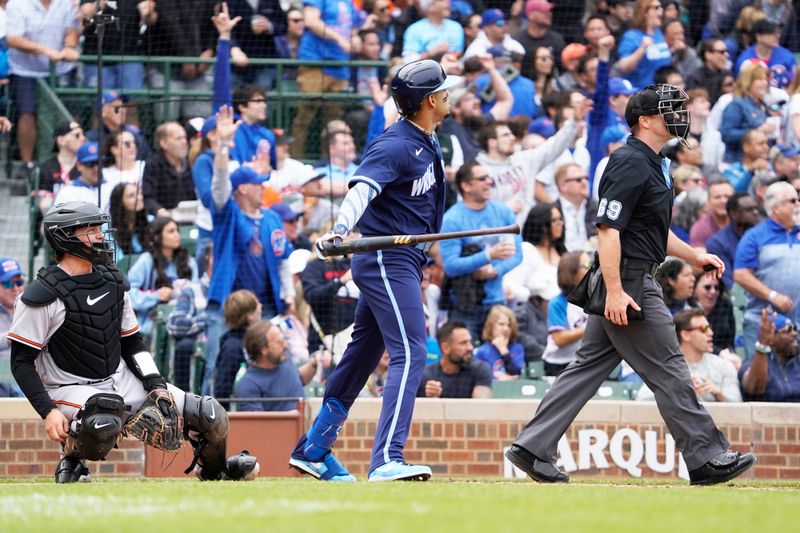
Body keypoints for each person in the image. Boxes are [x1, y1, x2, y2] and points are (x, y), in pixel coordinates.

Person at [505, 84, 756, 485]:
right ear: (644, 120)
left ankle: (532, 447)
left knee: (587, 367)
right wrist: (617, 290)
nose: (678, 115)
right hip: (630, 281)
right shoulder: (628, 161)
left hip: (631, 275)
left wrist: (694, 255)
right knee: (671, 368)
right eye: (668, 109)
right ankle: (706, 457)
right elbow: (607, 229)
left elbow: (652, 230)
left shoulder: (657, 162)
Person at [288, 59, 461, 483]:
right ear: (428, 101)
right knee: (412, 351)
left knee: (362, 354)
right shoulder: (397, 143)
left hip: (404, 261)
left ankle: (314, 448)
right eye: (443, 90)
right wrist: (342, 228)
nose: (449, 95)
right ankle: (387, 458)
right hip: (387, 259)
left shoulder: (426, 136)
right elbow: (362, 186)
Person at [8, 202, 258, 483]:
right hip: (69, 386)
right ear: (65, 237)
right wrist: (48, 412)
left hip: (120, 376)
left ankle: (216, 471)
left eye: (98, 228)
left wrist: (156, 384)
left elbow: (133, 343)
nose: (100, 236)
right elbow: (20, 362)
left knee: (210, 414)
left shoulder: (114, 282)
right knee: (103, 420)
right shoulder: (42, 294)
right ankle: (72, 459)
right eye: (90, 230)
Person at [203, 106, 294, 394]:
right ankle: (207, 424)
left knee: (272, 367)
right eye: (256, 185)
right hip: (229, 307)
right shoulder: (228, 214)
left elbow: (282, 259)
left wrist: (288, 292)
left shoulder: (272, 217)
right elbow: (218, 189)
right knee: (216, 368)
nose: (261, 189)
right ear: (242, 189)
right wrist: (221, 147)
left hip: (263, 306)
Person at [439, 162, 522, 339]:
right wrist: (487, 256)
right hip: (464, 306)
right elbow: (451, 266)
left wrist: (494, 271)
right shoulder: (452, 220)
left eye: (489, 177)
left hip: (497, 303)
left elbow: (517, 254)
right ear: (466, 186)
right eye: (482, 178)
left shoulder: (502, 212)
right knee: (466, 361)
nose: (489, 182)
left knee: (497, 357)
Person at [6, 0, 79, 176]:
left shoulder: (65, 3)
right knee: (27, 113)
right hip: (25, 70)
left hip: (60, 68)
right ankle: (27, 163)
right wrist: (45, 50)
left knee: (68, 116)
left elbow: (71, 29)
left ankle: (73, 160)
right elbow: (13, 39)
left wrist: (69, 46)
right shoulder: (17, 4)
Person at [734, 181, 800, 360]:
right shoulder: (755, 236)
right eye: (793, 200)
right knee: (759, 380)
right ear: (776, 207)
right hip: (762, 323)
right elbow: (740, 274)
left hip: (797, 325)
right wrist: (772, 295)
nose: (798, 204)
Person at [289, 0, 357, 159]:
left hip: (340, 65)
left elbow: (352, 27)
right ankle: (296, 160)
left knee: (334, 121)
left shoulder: (349, 2)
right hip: (316, 62)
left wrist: (355, 38)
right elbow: (311, 21)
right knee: (305, 115)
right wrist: (339, 38)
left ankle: (331, 162)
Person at [636, 309, 742, 402]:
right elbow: (641, 400)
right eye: (704, 329)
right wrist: (677, 390)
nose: (710, 333)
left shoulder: (724, 366)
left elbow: (739, 406)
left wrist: (718, 393)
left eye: (710, 328)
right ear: (685, 335)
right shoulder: (664, 368)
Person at [127, 217, 198, 336]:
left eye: (177, 231)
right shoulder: (146, 260)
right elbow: (128, 295)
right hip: (150, 326)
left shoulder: (189, 261)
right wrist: (156, 295)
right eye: (171, 231)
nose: (177, 235)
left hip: (184, 320)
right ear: (157, 237)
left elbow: (196, 292)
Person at [235, 320, 316, 412]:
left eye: (283, 339)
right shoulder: (249, 384)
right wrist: (290, 417)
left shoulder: (283, 358)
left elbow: (297, 380)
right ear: (264, 350)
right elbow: (257, 424)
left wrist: (314, 364)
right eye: (279, 342)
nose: (285, 345)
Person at [503, 203, 565, 305]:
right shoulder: (527, 250)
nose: (559, 224)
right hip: (535, 311)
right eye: (553, 220)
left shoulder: (563, 251)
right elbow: (511, 285)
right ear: (542, 225)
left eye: (560, 219)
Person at [541, 251, 590, 376]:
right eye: (587, 266)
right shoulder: (558, 303)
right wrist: (590, 328)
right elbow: (559, 339)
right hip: (557, 364)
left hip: (581, 361)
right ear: (571, 272)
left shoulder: (592, 299)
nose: (591, 271)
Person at [417, 321, 492, 399]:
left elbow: (481, 405)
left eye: (469, 342)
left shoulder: (480, 369)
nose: (470, 347)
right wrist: (431, 399)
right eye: (463, 343)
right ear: (445, 348)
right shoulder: (426, 375)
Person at [213, 290, 261, 410]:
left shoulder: (253, 340)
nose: (261, 307)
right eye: (257, 304)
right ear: (249, 315)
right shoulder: (232, 347)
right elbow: (222, 389)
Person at [740, 309, 800, 402]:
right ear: (771, 338)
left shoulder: (797, 365)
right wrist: (763, 344)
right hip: (767, 415)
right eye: (788, 330)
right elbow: (754, 388)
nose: (794, 334)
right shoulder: (750, 365)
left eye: (795, 329)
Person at [706, 192, 760, 288]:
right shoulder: (717, 243)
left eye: (756, 208)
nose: (755, 212)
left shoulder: (763, 235)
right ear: (734, 214)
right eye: (749, 210)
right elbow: (729, 282)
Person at [142, 122, 196, 218]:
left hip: (194, 215)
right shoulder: (153, 165)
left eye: (184, 138)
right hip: (165, 219)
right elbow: (148, 198)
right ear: (164, 144)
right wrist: (161, 212)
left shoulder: (192, 161)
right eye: (178, 138)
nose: (184, 142)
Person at [720, 62, 771, 164]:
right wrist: (753, 132)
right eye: (759, 79)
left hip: (759, 161)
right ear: (748, 82)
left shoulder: (762, 105)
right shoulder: (737, 105)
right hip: (737, 162)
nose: (764, 83)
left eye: (765, 80)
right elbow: (726, 134)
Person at [615, 0, 671, 90]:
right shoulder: (631, 36)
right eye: (656, 8)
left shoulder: (658, 33)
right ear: (644, 12)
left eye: (661, 7)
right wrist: (642, 48)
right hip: (642, 94)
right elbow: (623, 67)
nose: (661, 11)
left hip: (662, 93)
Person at [734, 18, 796, 90]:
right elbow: (741, 87)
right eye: (772, 33)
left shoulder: (787, 57)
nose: (778, 36)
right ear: (759, 37)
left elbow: (795, 83)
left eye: (778, 32)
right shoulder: (745, 60)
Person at [53, 142, 112, 212]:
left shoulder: (111, 186)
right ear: (79, 166)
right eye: (90, 164)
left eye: (98, 163)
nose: (96, 169)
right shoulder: (68, 192)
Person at [514, 0, 565, 81]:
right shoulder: (517, 41)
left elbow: (562, 70)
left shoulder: (556, 39)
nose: (549, 14)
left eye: (549, 11)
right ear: (531, 15)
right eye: (545, 12)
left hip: (550, 88)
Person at [474, 305, 525, 381]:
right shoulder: (482, 351)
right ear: (491, 326)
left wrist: (504, 351)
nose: (506, 329)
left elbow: (516, 374)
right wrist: (498, 379)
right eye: (501, 324)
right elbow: (479, 377)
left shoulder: (517, 349)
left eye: (509, 325)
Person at [553, 163, 597, 252]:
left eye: (586, 178)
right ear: (563, 185)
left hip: (592, 261)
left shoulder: (596, 208)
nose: (585, 182)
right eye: (578, 179)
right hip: (563, 261)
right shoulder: (552, 212)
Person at [692, 273, 736, 355]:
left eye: (717, 288)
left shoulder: (725, 305)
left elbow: (731, 341)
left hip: (724, 358)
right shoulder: (687, 309)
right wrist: (720, 353)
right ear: (695, 289)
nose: (713, 291)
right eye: (707, 287)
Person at [0, 258, 24, 397]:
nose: (15, 288)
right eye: (8, 283)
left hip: (31, 375)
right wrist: (11, 336)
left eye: (18, 282)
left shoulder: (31, 307)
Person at [685, 38, 733, 106]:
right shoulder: (695, 78)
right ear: (708, 55)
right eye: (721, 52)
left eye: (726, 51)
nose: (726, 55)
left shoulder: (727, 74)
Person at [689, 180, 734, 250]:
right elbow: (700, 257)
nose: (723, 201)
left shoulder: (743, 223)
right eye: (717, 197)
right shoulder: (700, 229)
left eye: (727, 197)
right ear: (708, 201)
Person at [108, 183, 148, 258]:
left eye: (138, 193)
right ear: (119, 201)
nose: (138, 198)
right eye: (131, 196)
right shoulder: (107, 228)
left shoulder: (151, 220)